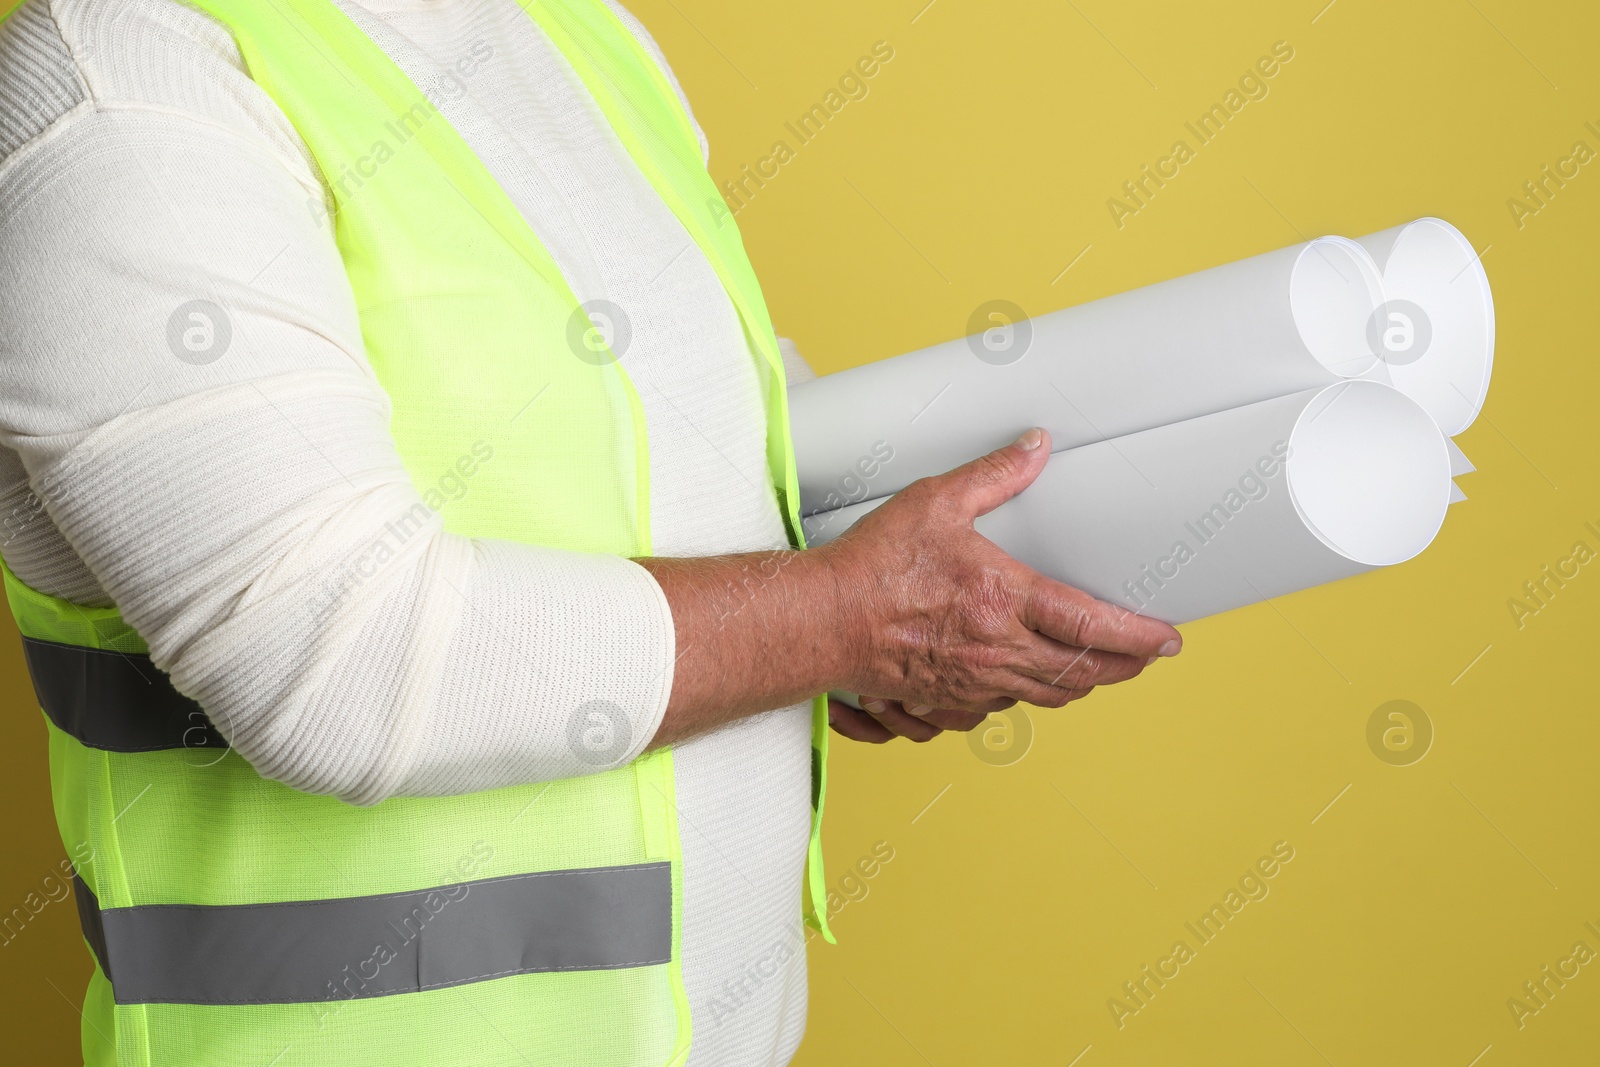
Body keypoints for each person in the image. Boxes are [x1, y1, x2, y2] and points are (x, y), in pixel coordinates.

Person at [0, 1, 1180, 1064]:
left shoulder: (581, 35)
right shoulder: (119, 80)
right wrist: (850, 616)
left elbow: (707, 459)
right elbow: (343, 662)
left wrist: (892, 589)